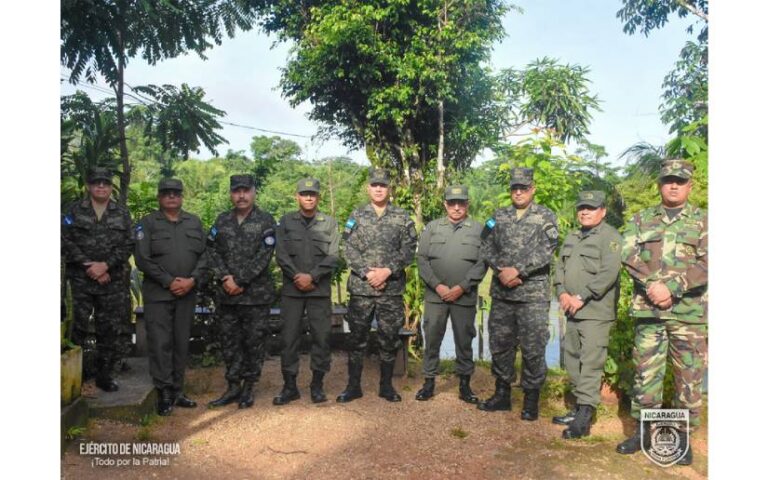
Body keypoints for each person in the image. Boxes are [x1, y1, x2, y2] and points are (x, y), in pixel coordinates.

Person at [616, 159, 707, 466]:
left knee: (689, 379)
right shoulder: (641, 219)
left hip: (689, 315)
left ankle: (683, 437)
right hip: (650, 313)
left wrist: (673, 288)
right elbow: (627, 254)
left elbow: (709, 264)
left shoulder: (705, 221)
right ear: (659, 184)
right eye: (668, 180)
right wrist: (654, 286)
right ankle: (643, 432)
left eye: (679, 181)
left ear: (689, 186)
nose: (673, 185)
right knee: (646, 375)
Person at [478, 167, 558, 420]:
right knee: (500, 345)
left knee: (533, 348)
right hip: (502, 294)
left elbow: (548, 249)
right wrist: (502, 270)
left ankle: (531, 400)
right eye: (515, 188)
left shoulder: (545, 216)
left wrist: (519, 270)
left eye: (524, 188)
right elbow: (485, 245)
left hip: (532, 295)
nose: (519, 192)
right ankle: (502, 395)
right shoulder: (498, 216)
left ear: (532, 189)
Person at [336, 168, 418, 403]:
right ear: (368, 188)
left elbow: (409, 249)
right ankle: (353, 387)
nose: (379, 189)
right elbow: (347, 248)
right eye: (374, 185)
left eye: (383, 185)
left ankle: (386, 386)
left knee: (389, 338)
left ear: (389, 188)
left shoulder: (402, 216)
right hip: (362, 289)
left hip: (391, 290)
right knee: (357, 339)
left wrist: (387, 271)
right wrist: (368, 273)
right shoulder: (357, 215)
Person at [552, 190, 622, 439]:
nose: (585, 211)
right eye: (582, 207)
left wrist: (580, 297)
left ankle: (584, 418)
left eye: (591, 208)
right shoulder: (571, 236)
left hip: (594, 312)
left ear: (602, 211)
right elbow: (559, 267)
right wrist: (561, 293)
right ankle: (577, 407)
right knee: (572, 360)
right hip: (571, 309)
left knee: (591, 362)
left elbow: (608, 273)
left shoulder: (610, 237)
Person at [134, 178, 207, 416]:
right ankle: (164, 392)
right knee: (160, 342)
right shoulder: (148, 223)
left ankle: (178, 390)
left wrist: (192, 280)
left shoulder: (194, 222)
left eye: (176, 193)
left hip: (187, 292)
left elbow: (205, 256)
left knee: (180, 342)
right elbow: (143, 259)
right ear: (159, 197)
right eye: (166, 193)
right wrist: (169, 281)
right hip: (159, 294)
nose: (172, 197)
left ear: (182, 196)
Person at [206, 175, 277, 409]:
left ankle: (249, 387)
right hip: (227, 296)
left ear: (254, 192)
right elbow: (211, 250)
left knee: (254, 342)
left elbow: (264, 256)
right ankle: (233, 386)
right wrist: (225, 277)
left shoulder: (265, 220)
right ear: (231, 194)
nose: (241, 196)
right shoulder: (222, 220)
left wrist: (240, 280)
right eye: (237, 191)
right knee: (230, 342)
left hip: (255, 296)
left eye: (246, 191)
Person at [62, 167, 134, 392]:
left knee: (109, 329)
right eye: (96, 183)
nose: (101, 186)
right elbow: (63, 239)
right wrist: (89, 265)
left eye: (105, 183)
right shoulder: (73, 211)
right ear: (89, 186)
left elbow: (129, 244)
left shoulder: (121, 213)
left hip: (111, 281)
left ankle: (105, 376)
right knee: (78, 328)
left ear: (111, 186)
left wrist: (105, 266)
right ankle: (76, 374)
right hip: (81, 281)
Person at [415, 185, 486, 403]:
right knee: (433, 337)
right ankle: (429, 382)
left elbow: (483, 262)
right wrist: (438, 286)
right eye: (452, 203)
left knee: (464, 340)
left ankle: (464, 385)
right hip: (436, 296)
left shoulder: (478, 229)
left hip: (463, 297)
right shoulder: (432, 228)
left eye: (461, 203)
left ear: (467, 204)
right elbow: (422, 260)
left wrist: (462, 287)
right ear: (445, 204)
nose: (457, 207)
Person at [273, 178, 340, 405]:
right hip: (292, 291)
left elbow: (333, 255)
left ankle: (317, 384)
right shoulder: (285, 221)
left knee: (321, 338)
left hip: (318, 290)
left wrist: (312, 276)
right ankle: (289, 386)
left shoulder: (329, 223)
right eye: (304, 194)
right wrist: (297, 277)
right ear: (297, 197)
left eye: (312, 194)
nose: (309, 197)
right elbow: (280, 253)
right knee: (288, 338)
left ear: (318, 197)